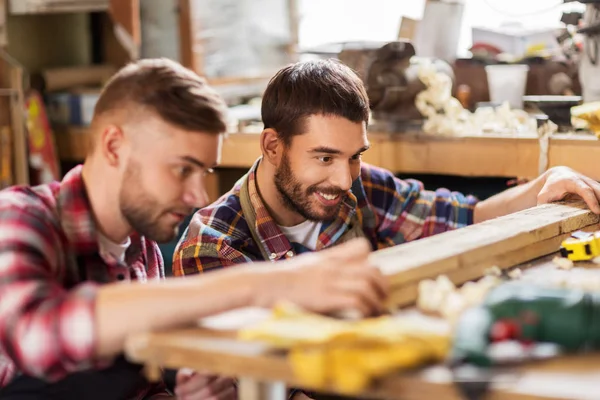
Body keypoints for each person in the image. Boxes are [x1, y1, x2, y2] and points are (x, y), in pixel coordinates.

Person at [0, 58, 389, 400]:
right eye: (182, 169)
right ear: (115, 147)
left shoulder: (143, 253)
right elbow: (39, 335)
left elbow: (141, 390)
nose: (196, 195)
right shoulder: (19, 219)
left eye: (203, 173)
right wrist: (266, 283)